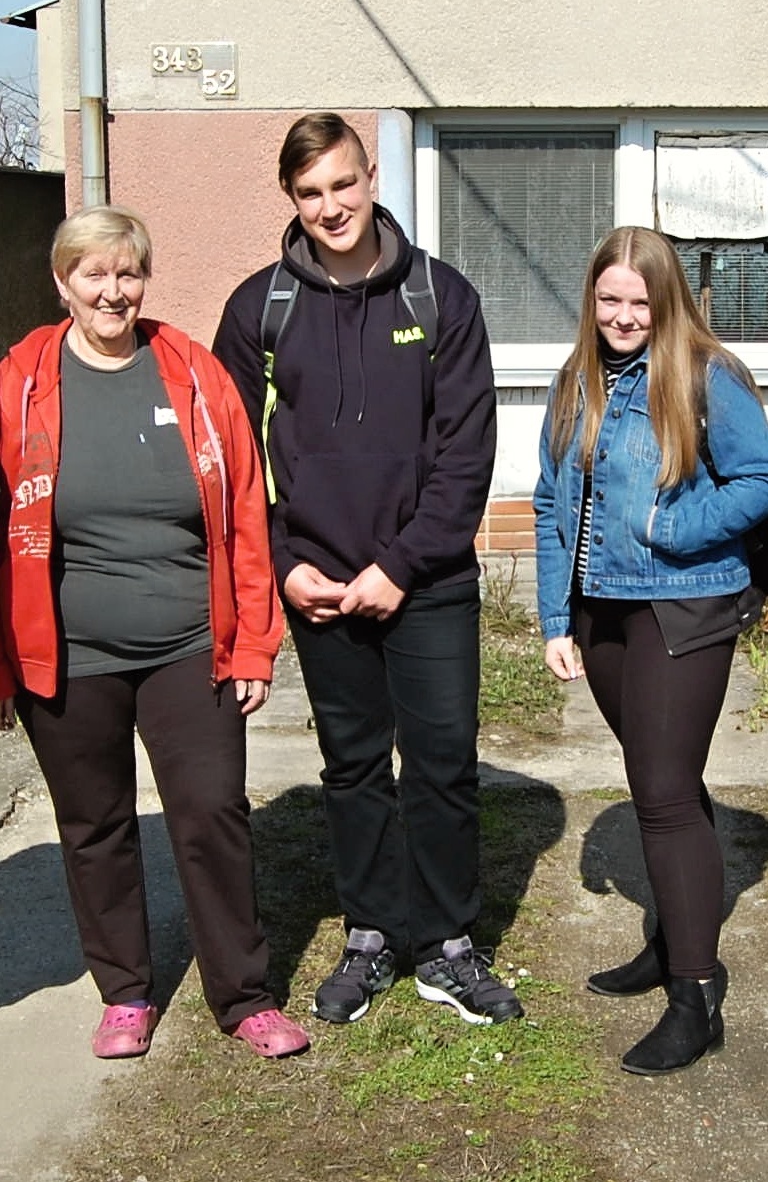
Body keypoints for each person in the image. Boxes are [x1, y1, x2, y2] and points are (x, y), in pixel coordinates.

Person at [212, 113, 520, 1028]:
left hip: (427, 583)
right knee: (350, 767)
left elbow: (465, 454)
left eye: (343, 184)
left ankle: (448, 946)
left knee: (441, 765)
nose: (331, 206)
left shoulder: (441, 297)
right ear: (291, 198)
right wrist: (283, 566)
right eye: (310, 193)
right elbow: (231, 461)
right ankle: (373, 934)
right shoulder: (259, 309)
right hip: (317, 586)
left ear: (371, 175)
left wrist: (402, 565)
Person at [0, 205, 308, 1060]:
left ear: (145, 279)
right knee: (94, 825)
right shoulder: (19, 383)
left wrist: (254, 645)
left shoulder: (194, 375)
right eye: (93, 274)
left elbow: (246, 514)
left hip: (190, 645)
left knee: (211, 814)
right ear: (62, 283)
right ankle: (125, 994)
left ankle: (245, 996)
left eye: (128, 273)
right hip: (68, 657)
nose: (113, 291)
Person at [534, 225, 768, 1075]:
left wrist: (672, 527)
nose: (622, 316)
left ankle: (696, 993)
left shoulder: (706, 375)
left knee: (664, 792)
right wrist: (555, 618)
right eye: (609, 299)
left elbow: (764, 479)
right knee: (662, 782)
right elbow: (551, 503)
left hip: (683, 605)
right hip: (601, 613)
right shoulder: (575, 381)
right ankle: (677, 936)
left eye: (639, 302)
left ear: (666, 301)